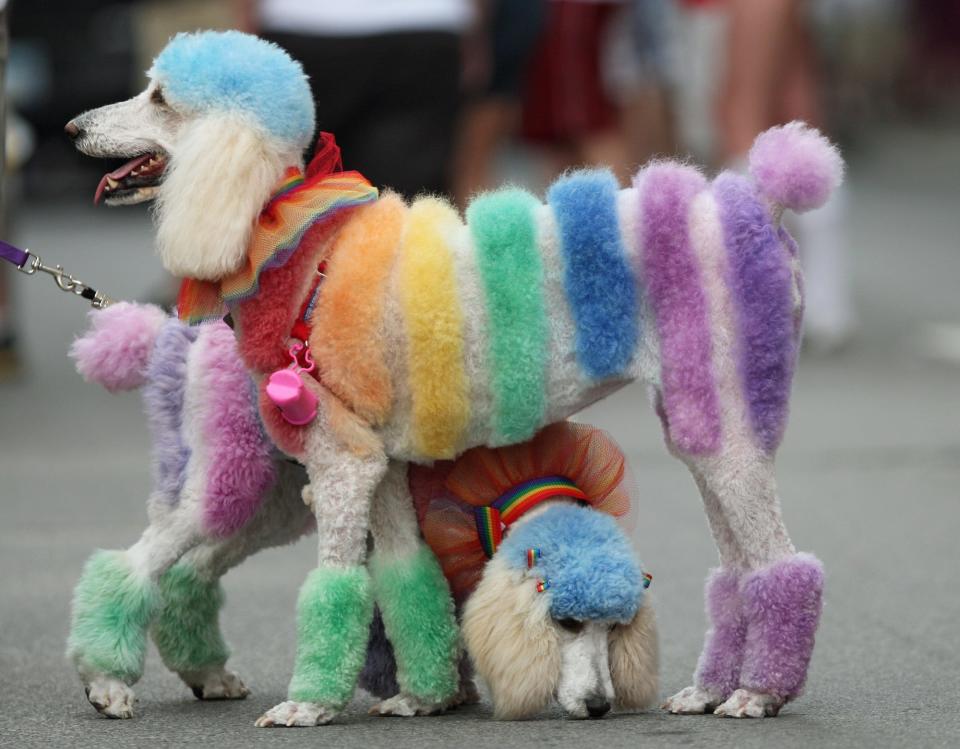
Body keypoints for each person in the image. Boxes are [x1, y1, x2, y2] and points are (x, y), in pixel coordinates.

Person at [244, 0, 474, 199]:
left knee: (294, 202)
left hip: (302, 23)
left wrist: (248, 23)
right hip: (424, 25)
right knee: (402, 203)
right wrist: (475, 28)